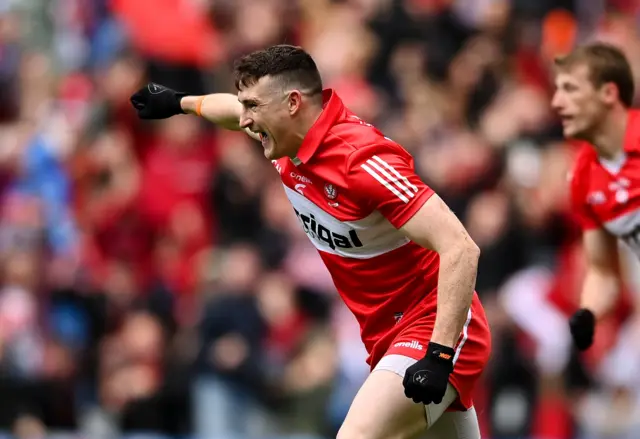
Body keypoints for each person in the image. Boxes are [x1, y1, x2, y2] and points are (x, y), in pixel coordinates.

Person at [130, 44, 491, 439]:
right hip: (384, 336)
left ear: (292, 103)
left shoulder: (361, 161)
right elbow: (233, 113)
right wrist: (180, 102)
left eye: (254, 105)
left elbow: (460, 247)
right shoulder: (285, 141)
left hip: (435, 327)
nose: (246, 119)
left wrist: (438, 355)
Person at [551, 42, 640, 351]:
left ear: (609, 94)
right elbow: (604, 272)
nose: (557, 102)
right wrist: (588, 312)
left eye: (570, 89)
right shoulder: (582, 179)